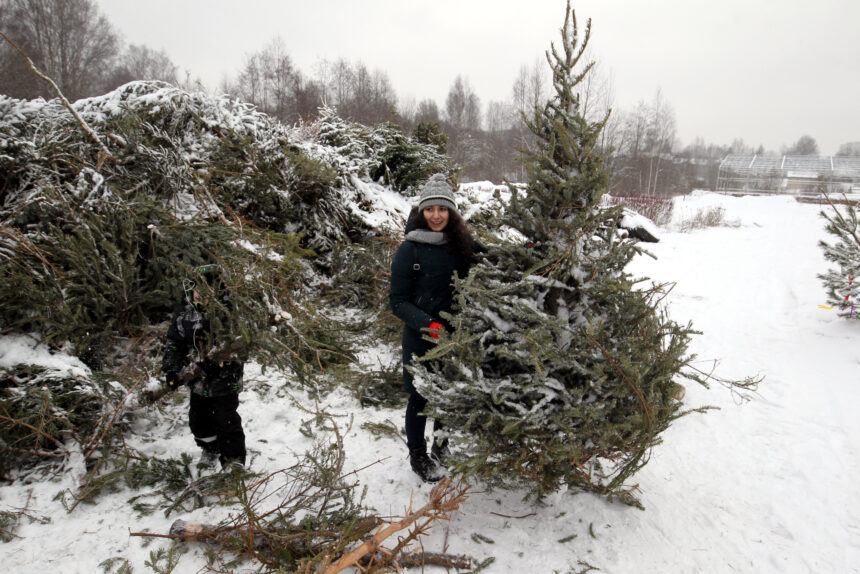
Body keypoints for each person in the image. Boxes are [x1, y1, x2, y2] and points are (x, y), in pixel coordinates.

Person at [389, 174, 481, 482]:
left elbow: (495, 261)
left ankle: (442, 448)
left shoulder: (462, 245)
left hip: (455, 337)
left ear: (452, 212)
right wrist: (429, 324)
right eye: (430, 209)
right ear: (420, 212)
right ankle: (418, 454)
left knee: (448, 395)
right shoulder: (409, 250)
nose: (437, 215)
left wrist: (528, 250)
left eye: (443, 209)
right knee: (420, 398)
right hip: (421, 337)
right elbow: (398, 302)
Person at [161, 264, 247, 473]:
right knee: (199, 420)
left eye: (207, 292)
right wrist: (172, 369)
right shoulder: (185, 316)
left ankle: (233, 460)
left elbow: (241, 342)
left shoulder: (230, 314)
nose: (201, 297)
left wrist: (223, 363)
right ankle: (210, 449)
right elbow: (175, 342)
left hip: (225, 380)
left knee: (226, 420)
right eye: (197, 292)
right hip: (197, 382)